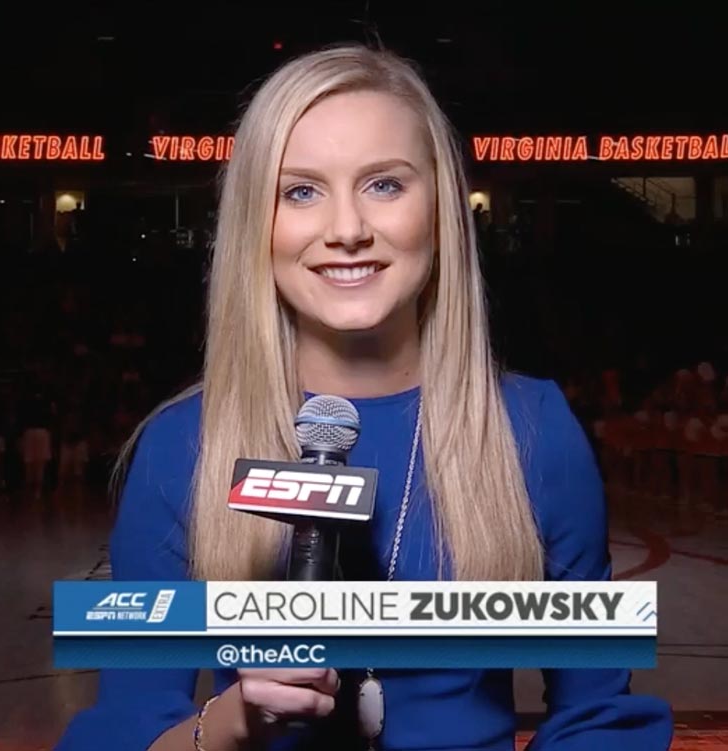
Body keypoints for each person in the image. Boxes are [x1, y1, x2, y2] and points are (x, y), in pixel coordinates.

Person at [56, 45, 673, 751]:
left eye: (384, 184)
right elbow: (125, 732)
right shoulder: (179, 446)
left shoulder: (535, 430)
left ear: (439, 208)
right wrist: (234, 721)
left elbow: (598, 717)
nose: (346, 229)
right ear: (257, 223)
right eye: (300, 191)